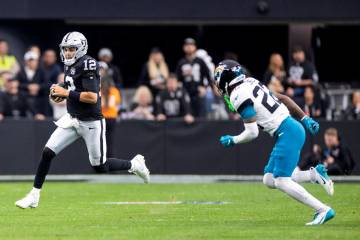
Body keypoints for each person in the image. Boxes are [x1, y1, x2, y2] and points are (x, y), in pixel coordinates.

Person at [15, 32, 150, 209]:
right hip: (72, 119)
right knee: (47, 152)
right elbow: (73, 86)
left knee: (99, 166)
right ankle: (34, 195)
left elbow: (92, 97)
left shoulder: (88, 63)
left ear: (81, 49)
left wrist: (66, 93)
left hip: (91, 122)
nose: (68, 53)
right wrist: (61, 90)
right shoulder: (69, 64)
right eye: (66, 49)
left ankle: (134, 164)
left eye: (72, 49)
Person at [214, 60, 335, 225]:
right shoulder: (251, 82)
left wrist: (233, 140)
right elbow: (283, 98)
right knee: (269, 179)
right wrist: (305, 118)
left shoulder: (237, 94)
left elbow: (252, 132)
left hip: (287, 132)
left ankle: (322, 210)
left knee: (281, 180)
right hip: (289, 129)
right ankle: (314, 175)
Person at [176, 38, 210, 117]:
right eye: (187, 45)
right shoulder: (181, 62)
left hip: (198, 92)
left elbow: (208, 76)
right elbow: (177, 78)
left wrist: (205, 88)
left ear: (195, 47)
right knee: (186, 113)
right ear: (184, 48)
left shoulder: (200, 61)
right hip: (186, 92)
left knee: (200, 114)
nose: (189, 47)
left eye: (191, 45)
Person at [17, 51, 47, 120]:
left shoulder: (41, 71)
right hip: (24, 96)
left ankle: (41, 115)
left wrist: (38, 87)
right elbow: (18, 84)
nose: (32, 62)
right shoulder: (21, 72)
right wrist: (28, 87)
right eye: (30, 60)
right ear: (26, 61)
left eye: (34, 60)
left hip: (39, 96)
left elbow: (47, 84)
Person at [101, 66, 121, 157]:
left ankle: (99, 163)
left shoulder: (99, 91)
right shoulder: (115, 91)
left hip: (101, 118)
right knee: (110, 142)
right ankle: (111, 162)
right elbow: (117, 105)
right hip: (112, 118)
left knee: (100, 142)